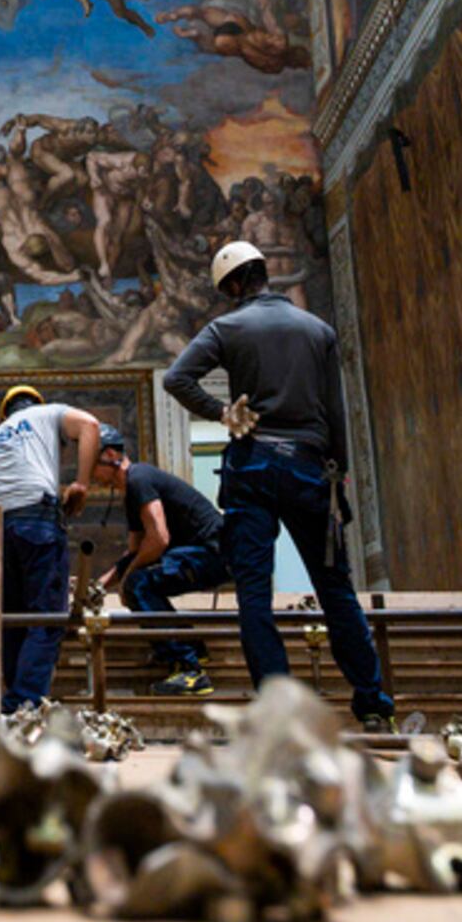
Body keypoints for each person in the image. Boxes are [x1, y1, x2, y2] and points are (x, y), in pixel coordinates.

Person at [162, 241, 395, 730]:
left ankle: (277, 714)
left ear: (230, 286)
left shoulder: (227, 327)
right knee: (335, 589)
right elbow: (336, 412)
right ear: (265, 273)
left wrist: (221, 413)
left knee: (253, 592)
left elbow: (177, 379)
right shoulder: (319, 330)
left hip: (252, 467)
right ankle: (373, 705)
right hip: (311, 468)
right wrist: (340, 479)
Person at [0, 384, 102, 714]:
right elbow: (90, 426)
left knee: (10, 618)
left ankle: (10, 705)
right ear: (35, 403)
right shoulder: (48, 414)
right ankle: (23, 705)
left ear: (6, 413)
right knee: (46, 618)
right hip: (37, 520)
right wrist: (81, 484)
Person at [92, 426, 228, 696]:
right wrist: (100, 585)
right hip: (202, 554)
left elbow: (159, 538)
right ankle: (192, 648)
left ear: (109, 455)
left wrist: (127, 580)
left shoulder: (138, 479)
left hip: (214, 553)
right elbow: (135, 553)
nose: (88, 473)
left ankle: (189, 669)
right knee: (136, 581)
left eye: (91, 464)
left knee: (137, 584)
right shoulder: (132, 491)